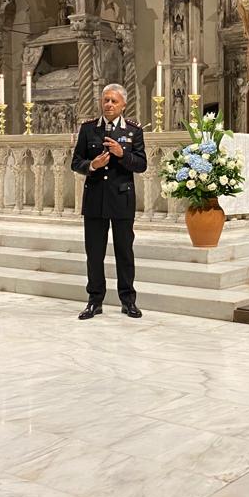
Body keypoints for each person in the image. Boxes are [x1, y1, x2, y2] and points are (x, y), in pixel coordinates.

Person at [71, 84, 147, 320]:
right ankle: (95, 301)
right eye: (106, 100)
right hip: (95, 198)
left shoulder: (133, 130)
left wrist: (123, 154)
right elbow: (76, 162)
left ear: (123, 104)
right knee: (94, 254)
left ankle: (128, 301)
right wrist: (93, 165)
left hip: (122, 198)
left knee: (124, 252)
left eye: (114, 101)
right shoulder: (88, 129)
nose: (109, 105)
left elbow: (142, 164)